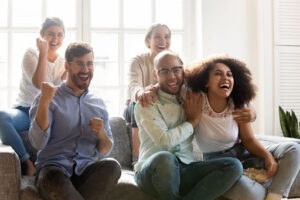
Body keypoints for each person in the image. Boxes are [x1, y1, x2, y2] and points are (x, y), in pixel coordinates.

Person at [185, 55, 300, 200]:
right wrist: (153, 89)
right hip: (219, 165)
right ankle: (261, 183)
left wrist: (267, 156)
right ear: (206, 81)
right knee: (248, 194)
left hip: (242, 153)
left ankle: (274, 195)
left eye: (229, 74)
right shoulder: (196, 99)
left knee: (293, 149)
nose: (225, 78)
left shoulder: (238, 102)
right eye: (218, 73)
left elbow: (248, 139)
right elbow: (174, 80)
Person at [134, 51, 243, 200]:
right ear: (155, 75)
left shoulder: (192, 95)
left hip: (185, 169)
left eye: (176, 70)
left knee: (234, 166)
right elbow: (164, 142)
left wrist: (252, 114)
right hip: (152, 172)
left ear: (183, 71)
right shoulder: (147, 103)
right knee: (165, 158)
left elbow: (224, 94)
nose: (172, 76)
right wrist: (192, 122)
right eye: (164, 71)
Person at [28, 42, 121, 200]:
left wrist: (102, 135)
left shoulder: (98, 103)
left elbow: (105, 150)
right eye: (79, 63)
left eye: (89, 64)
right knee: (52, 177)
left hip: (86, 171)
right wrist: (44, 102)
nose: (85, 69)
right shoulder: (48, 97)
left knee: (112, 166)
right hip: (53, 171)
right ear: (67, 65)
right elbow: (38, 143)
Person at [0, 17, 67, 175]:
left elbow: (60, 91)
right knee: (1, 117)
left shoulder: (63, 61)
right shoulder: (30, 54)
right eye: (50, 34)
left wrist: (67, 72)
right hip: (25, 110)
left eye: (59, 35)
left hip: (46, 113)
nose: (55, 39)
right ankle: (27, 163)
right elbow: (40, 84)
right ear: (42, 35)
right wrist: (43, 53)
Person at [124, 23, 172, 162]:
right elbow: (133, 85)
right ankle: (136, 159)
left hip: (161, 106)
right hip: (138, 104)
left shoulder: (173, 61)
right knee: (138, 105)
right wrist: (141, 94)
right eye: (157, 37)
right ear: (148, 42)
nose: (163, 41)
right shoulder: (138, 61)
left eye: (166, 37)